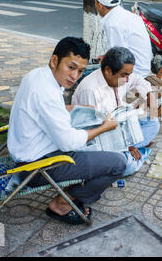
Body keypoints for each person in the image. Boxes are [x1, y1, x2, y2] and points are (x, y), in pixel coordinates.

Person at [7, 37, 127, 225]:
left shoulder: (37, 76)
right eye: (70, 67)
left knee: (96, 146)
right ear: (54, 60)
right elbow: (68, 142)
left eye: (80, 71)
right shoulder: (46, 92)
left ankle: (73, 191)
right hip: (36, 168)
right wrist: (104, 128)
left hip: (29, 153)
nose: (75, 76)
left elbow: (42, 111)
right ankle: (63, 202)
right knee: (119, 162)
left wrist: (71, 109)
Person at [72, 46, 160, 176]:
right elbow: (96, 135)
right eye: (124, 75)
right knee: (126, 166)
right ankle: (139, 152)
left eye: (128, 75)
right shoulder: (91, 91)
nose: (128, 80)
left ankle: (134, 151)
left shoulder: (121, 75)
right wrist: (127, 147)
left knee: (153, 123)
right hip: (99, 141)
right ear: (108, 71)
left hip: (118, 127)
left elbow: (138, 79)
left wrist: (149, 94)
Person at [89, 0, 152, 77]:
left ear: (100, 5)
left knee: (84, 77)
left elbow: (118, 60)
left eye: (95, 1)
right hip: (142, 69)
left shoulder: (112, 23)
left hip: (133, 75)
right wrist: (106, 57)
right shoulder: (126, 15)